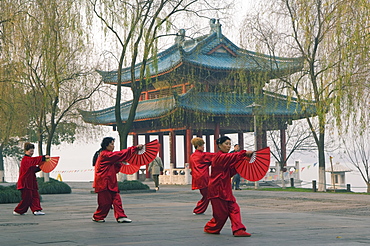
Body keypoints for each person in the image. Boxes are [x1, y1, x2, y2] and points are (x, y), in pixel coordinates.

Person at [204, 136, 254, 237]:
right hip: (217, 189)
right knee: (221, 216)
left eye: (229, 144)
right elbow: (231, 157)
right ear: (219, 145)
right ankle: (210, 227)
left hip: (225, 187)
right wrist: (243, 153)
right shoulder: (219, 157)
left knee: (234, 208)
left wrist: (242, 162)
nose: (228, 146)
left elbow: (230, 170)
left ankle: (238, 229)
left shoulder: (225, 157)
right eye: (226, 144)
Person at [92, 137, 143, 223]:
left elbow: (114, 168)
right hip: (103, 182)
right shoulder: (105, 154)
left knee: (116, 199)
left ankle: (120, 216)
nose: (113, 146)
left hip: (109, 182)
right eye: (111, 144)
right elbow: (119, 154)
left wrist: (118, 163)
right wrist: (134, 148)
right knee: (105, 203)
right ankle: (97, 216)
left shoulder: (107, 156)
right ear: (106, 145)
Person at [13, 142, 49, 216]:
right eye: (31, 151)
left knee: (35, 196)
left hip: (31, 182)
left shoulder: (29, 160)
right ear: (26, 151)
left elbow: (34, 169)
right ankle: (18, 210)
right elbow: (33, 160)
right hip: (25, 182)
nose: (32, 153)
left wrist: (41, 166)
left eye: (33, 151)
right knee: (27, 198)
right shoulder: (25, 160)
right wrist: (43, 157)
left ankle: (36, 210)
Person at [189, 137, 214, 215]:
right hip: (204, 177)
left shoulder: (192, 156)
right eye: (202, 145)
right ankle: (198, 210)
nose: (203, 147)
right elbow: (216, 157)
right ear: (198, 146)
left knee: (206, 194)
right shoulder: (203, 155)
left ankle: (199, 210)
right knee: (208, 195)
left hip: (196, 178)